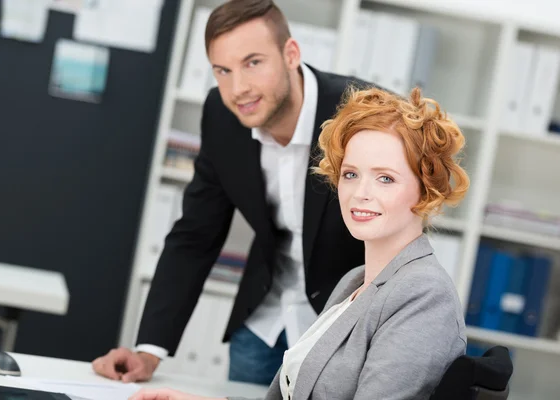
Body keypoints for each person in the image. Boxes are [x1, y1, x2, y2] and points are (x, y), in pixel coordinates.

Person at [126, 85, 471, 400]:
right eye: (351, 174)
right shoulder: (355, 284)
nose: (360, 194)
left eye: (385, 178)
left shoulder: (424, 295)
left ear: (427, 189)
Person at [92, 0, 374, 385]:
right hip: (263, 323)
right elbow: (196, 233)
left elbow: (399, 234)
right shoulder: (222, 117)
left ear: (290, 54)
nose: (237, 88)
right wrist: (149, 351)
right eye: (222, 71)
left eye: (253, 63)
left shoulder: (363, 114)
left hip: (343, 329)